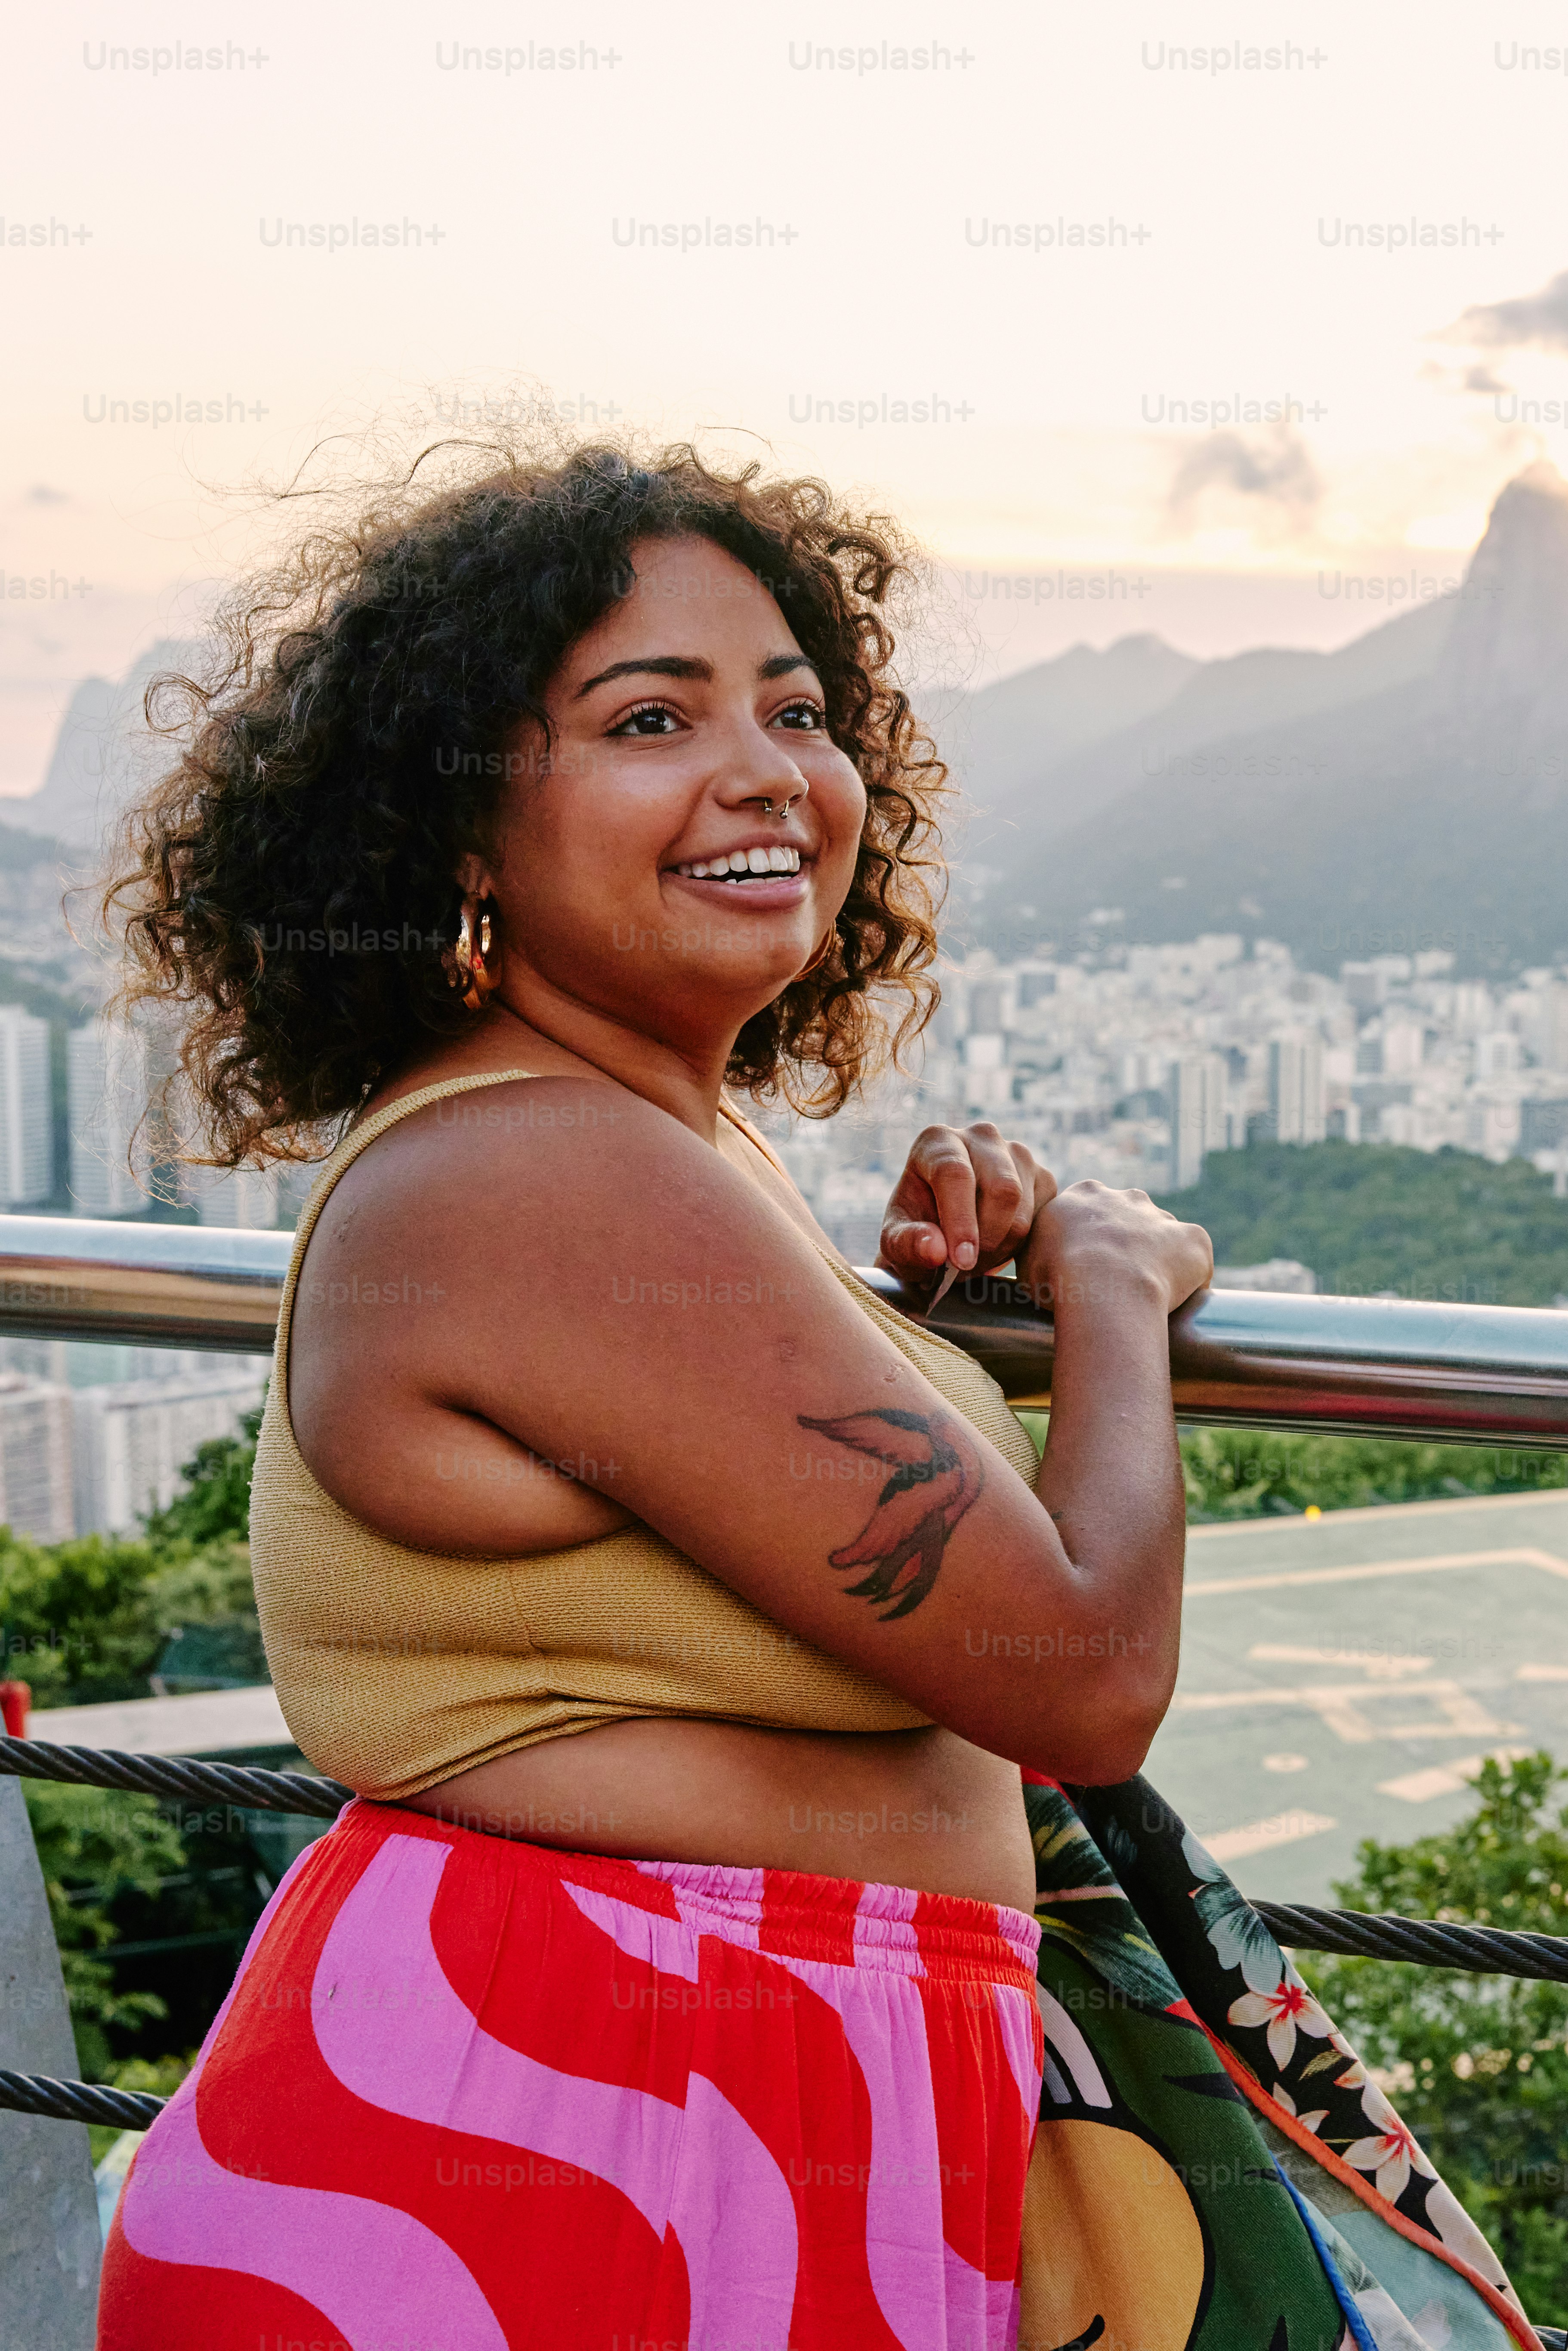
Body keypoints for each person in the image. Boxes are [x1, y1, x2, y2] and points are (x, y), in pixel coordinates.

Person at [93, 441, 1537, 2351]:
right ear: (454, 828)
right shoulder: (545, 1176)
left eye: (795, 706)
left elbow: (759, 1466)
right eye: (646, 717)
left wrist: (936, 1296)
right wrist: (1106, 1285)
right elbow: (1080, 1674)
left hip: (698, 2103)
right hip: (590, 2130)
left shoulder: (628, 1145)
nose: (766, 766)